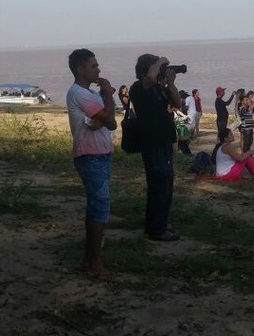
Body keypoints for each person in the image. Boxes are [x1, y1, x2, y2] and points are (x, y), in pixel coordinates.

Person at [66, 49, 117, 281]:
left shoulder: (91, 94)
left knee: (97, 206)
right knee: (100, 207)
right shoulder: (79, 93)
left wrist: (105, 111)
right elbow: (107, 117)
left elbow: (111, 123)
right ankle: (95, 263)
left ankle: (90, 258)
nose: (98, 69)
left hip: (103, 154)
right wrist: (107, 94)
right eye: (94, 66)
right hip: (90, 156)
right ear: (81, 69)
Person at [129, 54, 182, 242]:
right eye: (156, 67)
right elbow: (149, 78)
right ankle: (157, 229)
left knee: (164, 185)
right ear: (147, 69)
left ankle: (156, 225)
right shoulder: (138, 87)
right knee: (160, 185)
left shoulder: (159, 88)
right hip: (152, 143)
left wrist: (171, 83)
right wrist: (160, 61)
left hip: (164, 142)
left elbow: (178, 103)